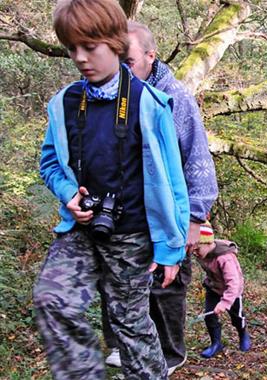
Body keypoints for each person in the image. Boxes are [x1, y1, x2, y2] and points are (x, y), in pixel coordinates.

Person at [32, 1, 189, 379]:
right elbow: (49, 163)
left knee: (130, 326)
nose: (80, 58)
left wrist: (172, 248)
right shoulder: (65, 103)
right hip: (82, 227)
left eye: (90, 47)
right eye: (72, 48)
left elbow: (173, 181)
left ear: (116, 43)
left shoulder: (149, 103)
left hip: (133, 234)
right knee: (51, 299)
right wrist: (69, 193)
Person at [101, 21, 219, 375]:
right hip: (123, 217)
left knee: (165, 287)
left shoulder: (175, 98)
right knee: (121, 286)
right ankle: (126, 350)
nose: (122, 68)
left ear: (151, 57)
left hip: (169, 215)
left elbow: (198, 159)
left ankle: (168, 356)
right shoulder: (106, 94)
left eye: (130, 60)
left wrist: (195, 220)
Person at [192, 222, 251, 357]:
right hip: (214, 288)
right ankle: (216, 343)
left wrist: (225, 302)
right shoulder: (202, 253)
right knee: (210, 316)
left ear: (207, 243)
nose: (194, 253)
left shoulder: (225, 258)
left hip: (233, 292)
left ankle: (243, 334)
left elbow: (234, 283)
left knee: (236, 316)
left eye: (197, 249)